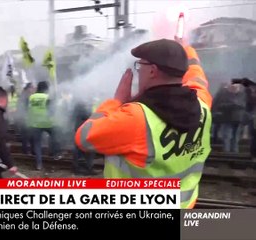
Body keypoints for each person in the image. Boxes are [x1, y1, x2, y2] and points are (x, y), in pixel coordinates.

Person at [75, 38, 212, 209]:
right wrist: (185, 48)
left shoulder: (136, 118)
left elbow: (84, 137)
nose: (138, 71)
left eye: (140, 66)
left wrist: (116, 101)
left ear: (152, 71)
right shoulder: (203, 104)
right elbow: (197, 75)